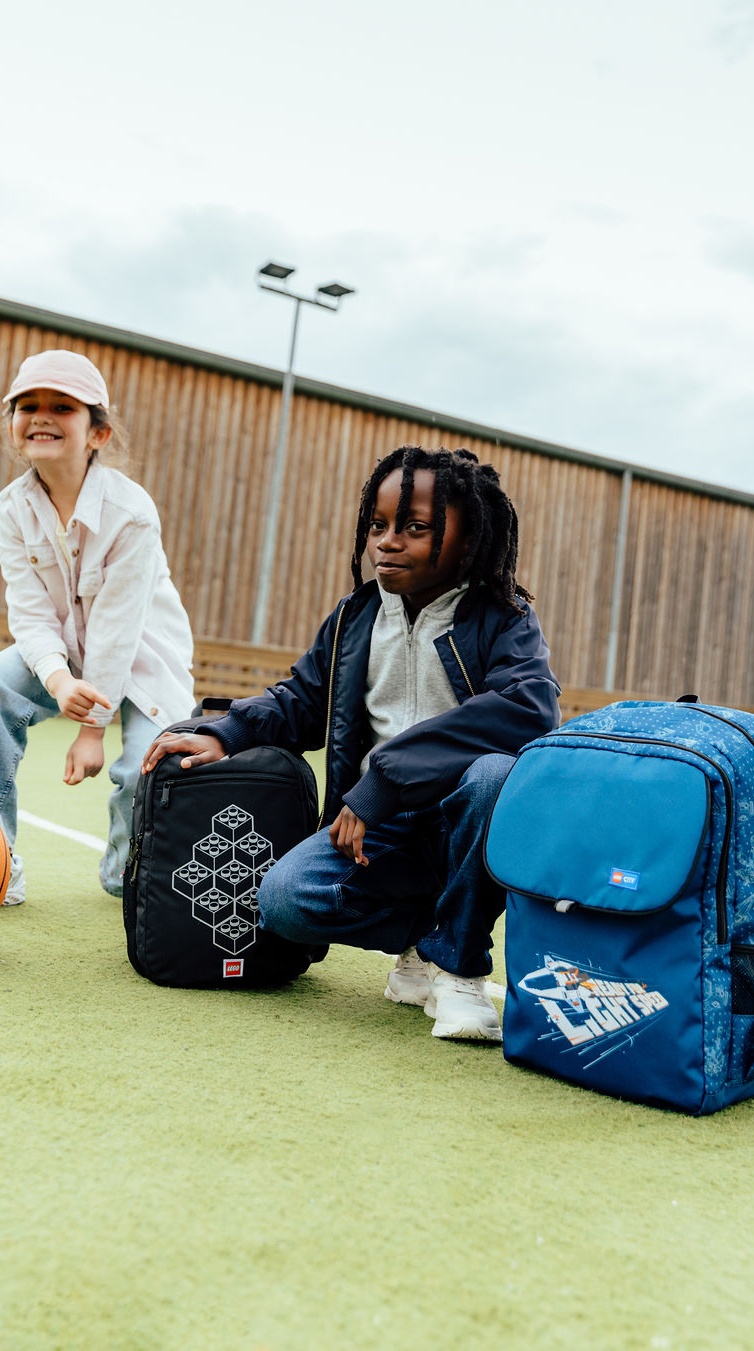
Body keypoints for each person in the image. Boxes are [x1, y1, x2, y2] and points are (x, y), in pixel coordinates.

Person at [142, 445, 560, 1041]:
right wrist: (228, 732)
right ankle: (424, 937)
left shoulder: (503, 617)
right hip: (378, 829)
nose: (388, 543)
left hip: (457, 817)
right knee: (285, 902)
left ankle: (458, 968)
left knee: (494, 777)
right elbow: (303, 699)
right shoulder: (355, 617)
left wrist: (384, 779)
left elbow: (527, 709)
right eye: (378, 525)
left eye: (415, 528)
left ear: (468, 541)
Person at [0, 349, 195, 905]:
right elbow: (30, 612)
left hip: (142, 658)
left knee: (146, 768)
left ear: (97, 434)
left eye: (62, 407)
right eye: (28, 406)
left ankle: (124, 870)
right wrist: (59, 679)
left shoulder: (132, 512)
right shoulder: (12, 507)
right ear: (13, 427)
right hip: (64, 655)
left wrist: (92, 730)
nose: (41, 416)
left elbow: (117, 630)